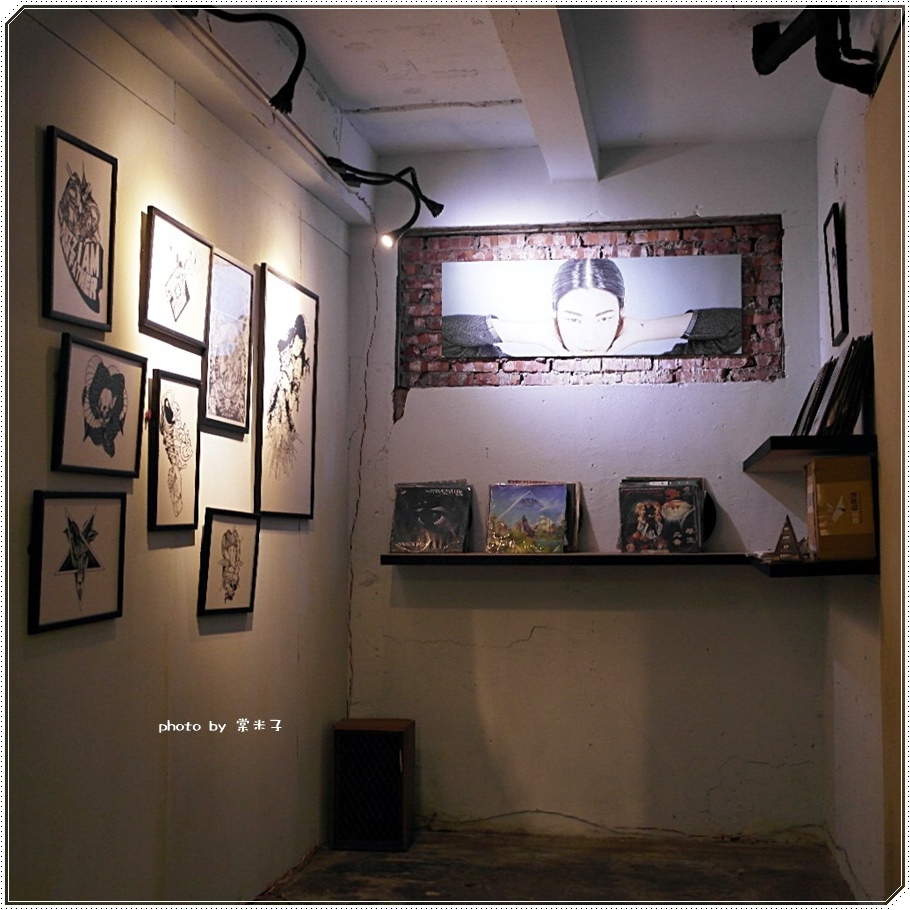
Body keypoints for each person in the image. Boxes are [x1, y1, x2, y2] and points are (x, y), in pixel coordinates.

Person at [441, 257, 742, 358]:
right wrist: (536, 333)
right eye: (573, 319)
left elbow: (736, 327)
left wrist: (642, 330)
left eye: (604, 318)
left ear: (621, 314)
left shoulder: (669, 369)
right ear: (555, 314)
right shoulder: (508, 371)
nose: (589, 338)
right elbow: (444, 334)